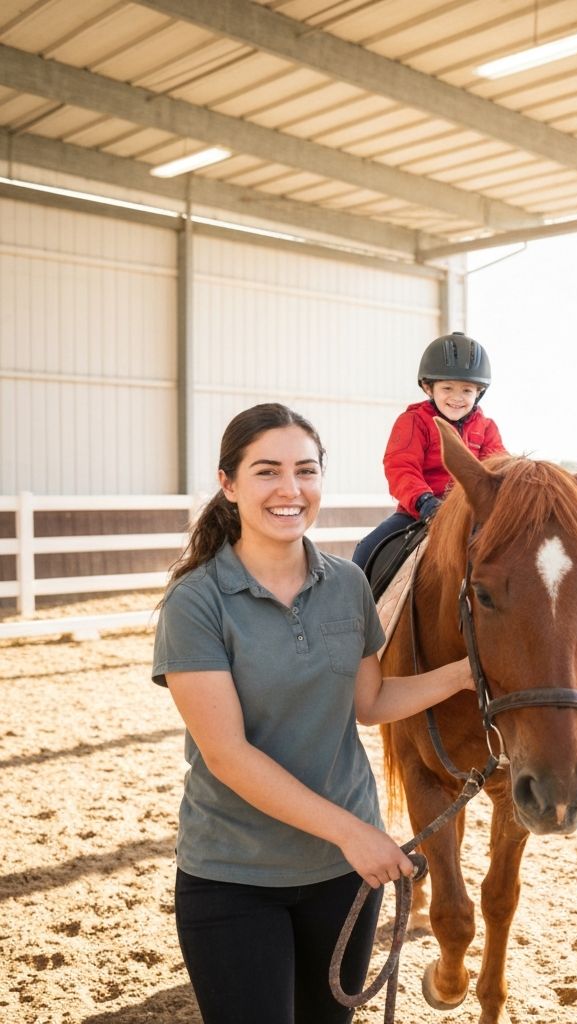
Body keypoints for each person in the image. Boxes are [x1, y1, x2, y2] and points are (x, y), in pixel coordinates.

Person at [151, 403, 473, 1024]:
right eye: (267, 471)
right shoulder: (196, 602)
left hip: (342, 880)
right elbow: (228, 754)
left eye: (305, 470)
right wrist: (356, 833)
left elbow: (371, 703)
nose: (290, 490)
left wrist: (465, 675)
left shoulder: (349, 584)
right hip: (235, 876)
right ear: (228, 483)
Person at [352, 330, 505, 570]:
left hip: (472, 516)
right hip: (419, 513)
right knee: (366, 550)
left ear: (479, 393)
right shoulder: (414, 422)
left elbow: (498, 470)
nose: (457, 398)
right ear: (428, 388)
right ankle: (356, 606)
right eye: (447, 388)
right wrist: (424, 501)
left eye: (466, 390)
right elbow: (401, 466)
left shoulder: (487, 429)